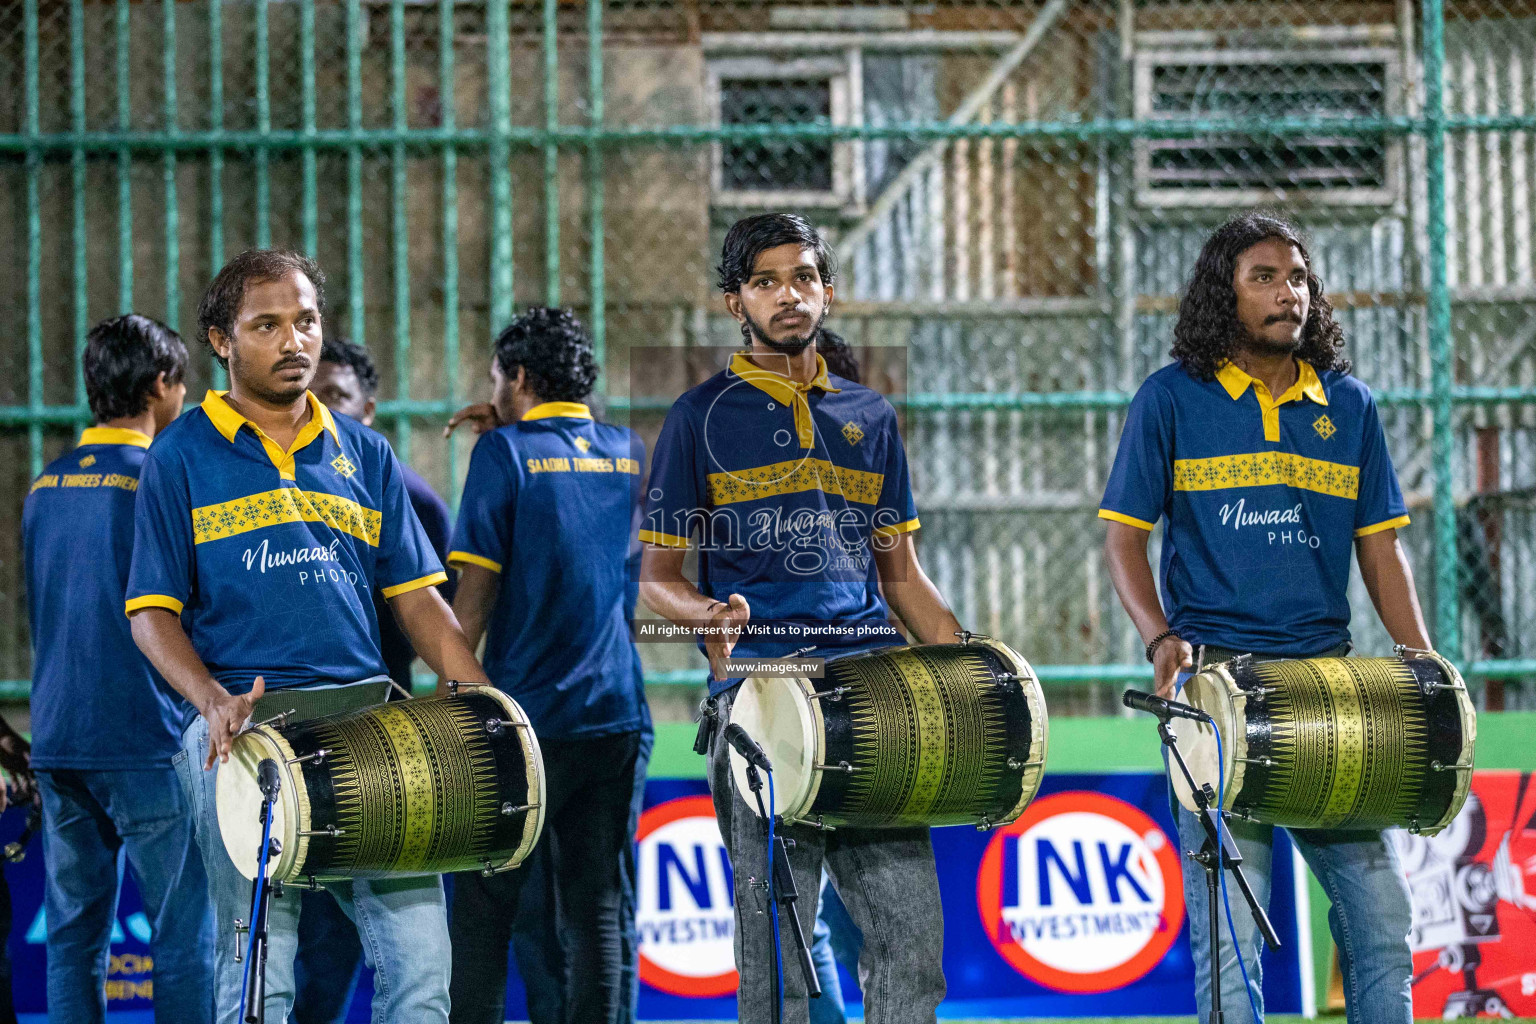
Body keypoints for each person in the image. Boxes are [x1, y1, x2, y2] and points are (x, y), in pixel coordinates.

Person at [125, 249, 492, 1024]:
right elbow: (150, 612)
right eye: (268, 326)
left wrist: (479, 698)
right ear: (222, 341)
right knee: (260, 985)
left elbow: (419, 601)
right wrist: (211, 700)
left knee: (423, 974)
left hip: (370, 733)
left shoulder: (365, 453)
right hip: (247, 738)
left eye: (307, 321)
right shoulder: (180, 456)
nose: (295, 342)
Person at [1100, 212, 1428, 1024]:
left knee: (1382, 922)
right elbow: (1122, 537)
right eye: (1265, 278)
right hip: (1214, 692)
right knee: (1230, 939)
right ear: (1224, 293)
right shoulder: (1171, 397)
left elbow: (1382, 551)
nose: (1290, 292)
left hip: (1330, 689)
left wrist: (1420, 659)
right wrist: (1159, 635)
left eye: (1300, 278)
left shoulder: (1348, 404)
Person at [638, 212, 963, 1024]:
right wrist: (707, 614)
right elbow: (657, 578)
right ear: (733, 302)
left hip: (874, 696)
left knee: (910, 943)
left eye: (805, 277)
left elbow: (903, 576)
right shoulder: (699, 417)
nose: (789, 295)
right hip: (760, 697)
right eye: (766, 281)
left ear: (828, 290)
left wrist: (965, 666)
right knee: (776, 959)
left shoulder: (871, 416)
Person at [445, 307, 651, 1024]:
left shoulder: (501, 458)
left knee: (482, 910)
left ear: (520, 377)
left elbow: (476, 594)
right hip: (616, 716)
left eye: (497, 377)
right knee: (598, 908)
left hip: (524, 723)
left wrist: (449, 691)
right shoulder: (631, 451)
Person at [22, 314, 213, 1024]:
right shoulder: (160, 478)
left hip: (59, 739)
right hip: (146, 739)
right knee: (182, 935)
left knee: (74, 939)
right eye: (184, 382)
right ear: (162, 383)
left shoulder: (43, 486)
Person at [291, 337, 457, 1024]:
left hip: (378, 737)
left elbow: (434, 614)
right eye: (314, 396)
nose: (323, 410)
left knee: (383, 932)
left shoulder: (411, 499)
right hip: (292, 734)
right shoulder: (282, 496)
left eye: (336, 397)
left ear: (370, 406)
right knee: (301, 929)